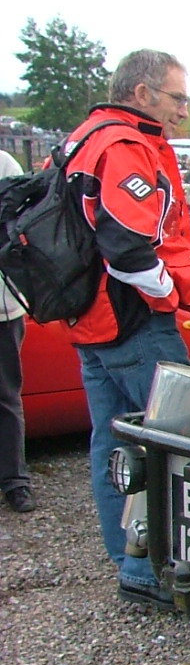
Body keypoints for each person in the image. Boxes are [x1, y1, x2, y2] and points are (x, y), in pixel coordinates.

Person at [62, 49, 190, 606]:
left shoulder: (85, 137)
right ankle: (158, 567)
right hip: (133, 321)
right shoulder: (124, 145)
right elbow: (127, 248)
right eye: (177, 98)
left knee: (113, 440)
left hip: (91, 318)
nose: (184, 110)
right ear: (142, 94)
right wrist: (170, 295)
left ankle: (131, 561)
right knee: (175, 443)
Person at [0, 148, 35, 513]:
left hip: (2, 309)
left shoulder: (4, 165)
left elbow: (19, 228)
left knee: (6, 395)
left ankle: (15, 481)